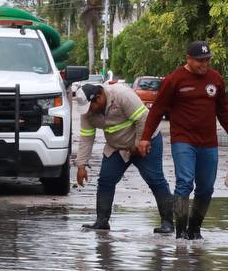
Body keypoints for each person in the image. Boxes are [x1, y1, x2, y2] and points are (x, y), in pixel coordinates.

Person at [137, 41, 228, 240]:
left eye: (207, 60)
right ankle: (180, 234)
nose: (204, 64)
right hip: (183, 140)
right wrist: (145, 138)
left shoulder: (216, 79)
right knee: (185, 183)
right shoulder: (174, 79)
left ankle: (194, 230)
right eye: (199, 61)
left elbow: (223, 111)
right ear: (188, 59)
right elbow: (157, 111)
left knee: (206, 188)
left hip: (208, 143)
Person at [74, 82, 174, 233]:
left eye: (91, 107)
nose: (89, 111)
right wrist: (81, 165)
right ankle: (102, 221)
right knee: (105, 181)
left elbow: (143, 119)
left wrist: (139, 144)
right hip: (117, 147)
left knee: (155, 180)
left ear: (99, 97)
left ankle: (168, 223)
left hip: (145, 141)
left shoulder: (121, 95)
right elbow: (86, 138)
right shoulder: (87, 113)